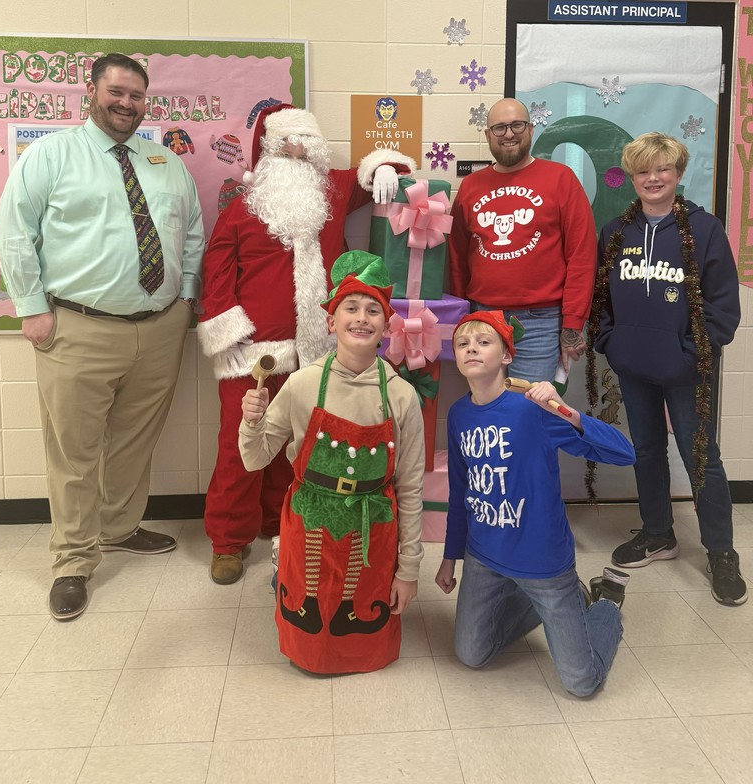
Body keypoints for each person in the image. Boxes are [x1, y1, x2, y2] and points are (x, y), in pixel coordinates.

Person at [0, 52, 204, 621]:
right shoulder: (52, 154)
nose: (126, 104)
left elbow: (192, 235)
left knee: (135, 439)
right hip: (77, 327)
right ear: (91, 91)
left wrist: (184, 303)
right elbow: (13, 230)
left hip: (159, 330)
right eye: (116, 91)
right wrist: (31, 308)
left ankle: (117, 527)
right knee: (75, 450)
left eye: (136, 96)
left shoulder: (165, 162)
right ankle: (72, 561)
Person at [198, 103, 415, 585]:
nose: (296, 150)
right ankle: (228, 540)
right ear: (267, 151)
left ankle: (280, 523)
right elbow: (215, 273)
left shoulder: (332, 192)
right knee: (240, 446)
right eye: (285, 142)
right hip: (251, 356)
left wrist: (382, 167)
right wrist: (226, 335)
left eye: (306, 141)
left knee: (299, 443)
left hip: (315, 353)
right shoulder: (241, 208)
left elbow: (390, 167)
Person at [239, 251, 425, 674]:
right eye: (351, 308)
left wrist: (408, 569)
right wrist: (251, 423)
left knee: (357, 623)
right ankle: (281, 569)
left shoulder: (401, 396)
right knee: (310, 634)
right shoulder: (302, 384)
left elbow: (411, 487)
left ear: (386, 323)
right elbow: (254, 459)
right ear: (330, 321)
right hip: (309, 526)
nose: (361, 318)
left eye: (373, 309)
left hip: (372, 532)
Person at [436, 310, 635, 697]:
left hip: (543, 563)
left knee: (582, 684)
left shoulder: (532, 409)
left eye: (483, 341)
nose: (471, 348)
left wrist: (569, 412)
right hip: (484, 558)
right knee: (471, 654)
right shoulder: (459, 414)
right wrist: (449, 556)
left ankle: (606, 603)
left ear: (507, 355)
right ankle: (547, 604)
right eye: (463, 343)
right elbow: (461, 492)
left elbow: (625, 453)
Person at [588, 132, 746, 605]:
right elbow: (603, 300)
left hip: (685, 370)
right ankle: (658, 533)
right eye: (643, 171)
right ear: (632, 177)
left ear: (678, 174)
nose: (652, 178)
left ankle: (721, 552)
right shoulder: (616, 230)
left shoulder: (706, 230)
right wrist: (612, 343)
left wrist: (692, 351)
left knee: (703, 459)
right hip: (634, 366)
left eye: (662, 169)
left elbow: (723, 307)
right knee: (647, 451)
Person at [448, 97, 596, 382]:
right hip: (482, 319)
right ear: (488, 135)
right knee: (488, 408)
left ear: (530, 130)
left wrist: (572, 325)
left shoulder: (560, 179)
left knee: (530, 410)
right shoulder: (470, 186)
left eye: (516, 125)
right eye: (500, 128)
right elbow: (456, 258)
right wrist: (461, 317)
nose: (509, 134)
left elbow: (582, 255)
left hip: (540, 323)